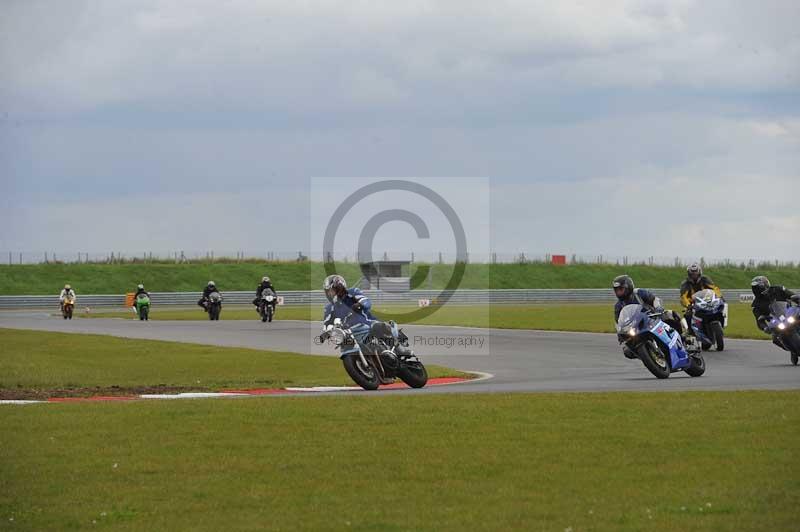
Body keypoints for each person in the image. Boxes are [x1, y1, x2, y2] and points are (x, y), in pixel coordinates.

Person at [613, 275, 692, 359]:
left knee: (671, 314)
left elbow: (654, 299)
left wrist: (658, 307)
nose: (619, 293)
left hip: (653, 317)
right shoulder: (618, 306)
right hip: (638, 327)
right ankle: (649, 356)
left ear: (628, 287)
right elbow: (619, 323)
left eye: (621, 289)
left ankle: (683, 337)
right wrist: (621, 337)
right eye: (617, 290)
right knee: (627, 351)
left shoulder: (639, 293)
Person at [680, 262, 724, 328]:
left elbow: (714, 288)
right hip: (693, 304)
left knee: (719, 308)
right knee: (687, 315)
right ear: (689, 274)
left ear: (699, 272)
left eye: (696, 272)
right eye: (692, 273)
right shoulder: (686, 283)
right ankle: (690, 331)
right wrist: (688, 305)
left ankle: (721, 324)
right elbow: (683, 296)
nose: (694, 274)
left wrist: (719, 296)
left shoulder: (705, 279)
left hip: (707, 301)